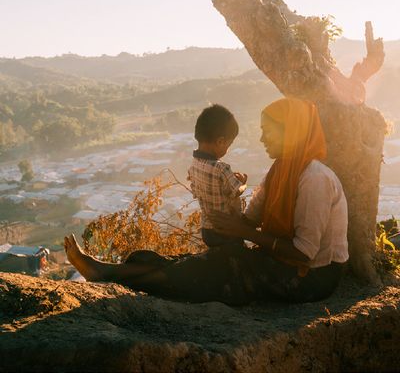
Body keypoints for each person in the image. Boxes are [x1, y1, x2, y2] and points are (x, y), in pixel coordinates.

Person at [64, 97, 349, 305]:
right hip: (281, 262)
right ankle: (105, 270)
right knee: (196, 260)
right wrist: (230, 221)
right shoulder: (281, 170)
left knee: (212, 269)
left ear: (292, 132)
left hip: (310, 277)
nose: (261, 138)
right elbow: (252, 217)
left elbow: (305, 252)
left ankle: (114, 277)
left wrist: (245, 233)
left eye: (268, 130)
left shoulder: (314, 178)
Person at [187, 104, 247, 247]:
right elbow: (236, 191)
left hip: (207, 230)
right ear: (220, 141)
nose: (227, 149)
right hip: (227, 230)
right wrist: (244, 183)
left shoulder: (193, 166)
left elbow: (196, 192)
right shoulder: (221, 169)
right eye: (229, 144)